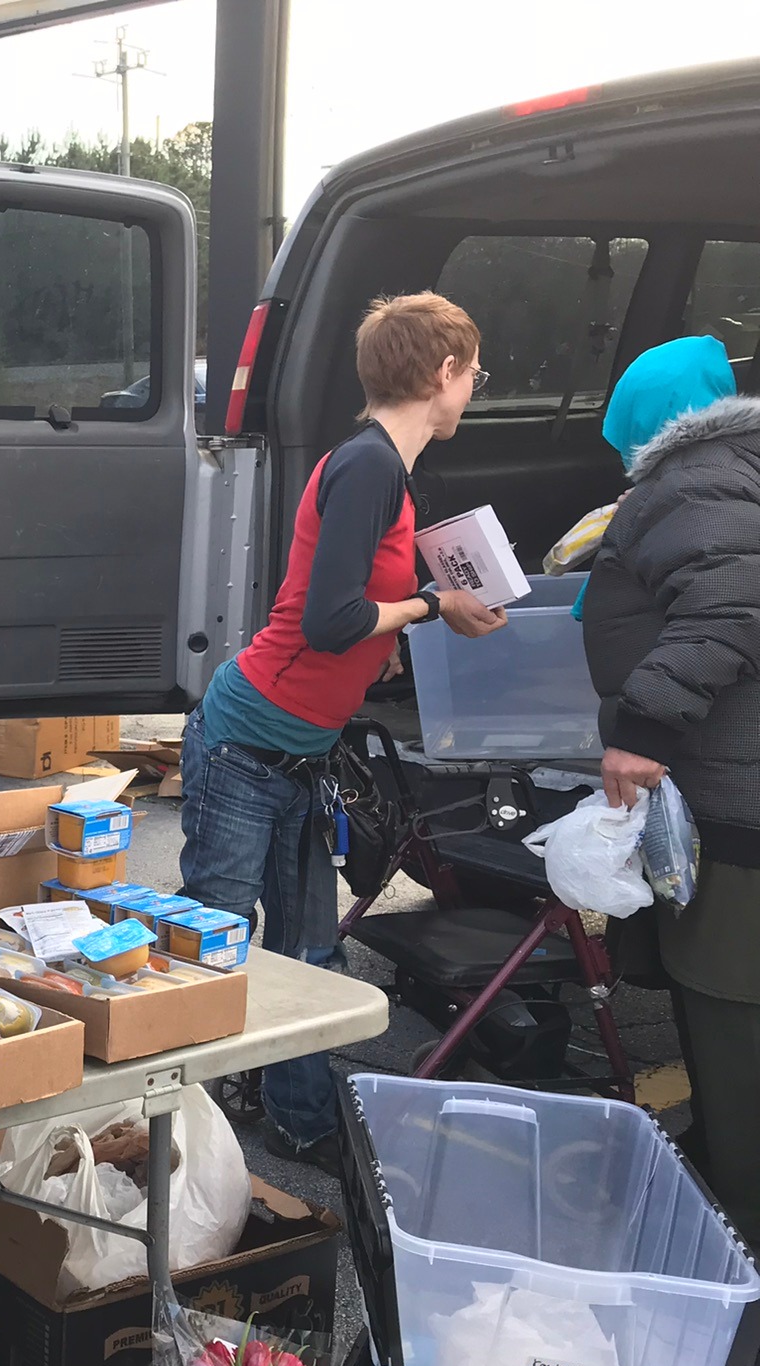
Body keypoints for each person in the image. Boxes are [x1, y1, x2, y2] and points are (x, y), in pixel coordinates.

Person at [179, 292, 509, 1171]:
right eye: (473, 372)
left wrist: (390, 641)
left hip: (296, 753)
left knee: (309, 953)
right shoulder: (369, 468)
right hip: (246, 746)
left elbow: (349, 617)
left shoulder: (382, 471)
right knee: (210, 946)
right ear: (442, 373)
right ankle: (172, 1140)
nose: (473, 387)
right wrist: (433, 605)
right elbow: (328, 621)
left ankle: (303, 1122)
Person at [582, 333, 760, 1236]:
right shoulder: (727, 475)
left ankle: (740, 1234)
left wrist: (642, 730)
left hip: (740, 816)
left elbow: (731, 604)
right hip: (732, 794)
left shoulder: (695, 480)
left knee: (733, 1014)